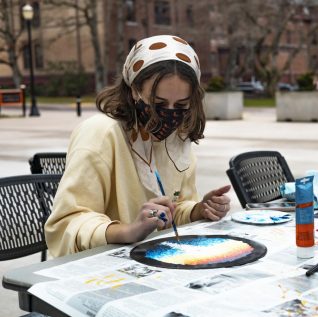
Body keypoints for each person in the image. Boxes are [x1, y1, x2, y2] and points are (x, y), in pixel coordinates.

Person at [45, 35, 231, 257]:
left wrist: (198, 210)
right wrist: (128, 230)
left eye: (181, 105)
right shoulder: (101, 133)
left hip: (157, 260)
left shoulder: (177, 139)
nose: (170, 114)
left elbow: (173, 211)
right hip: (100, 269)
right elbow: (65, 225)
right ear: (134, 90)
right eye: (158, 104)